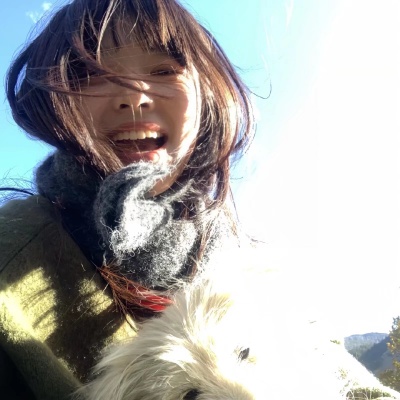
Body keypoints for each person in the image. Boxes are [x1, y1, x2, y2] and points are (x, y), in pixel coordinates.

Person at [0, 1, 398, 399]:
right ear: (51, 103)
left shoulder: (252, 269)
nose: (134, 96)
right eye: (92, 73)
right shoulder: (10, 257)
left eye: (163, 70)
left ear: (206, 94)